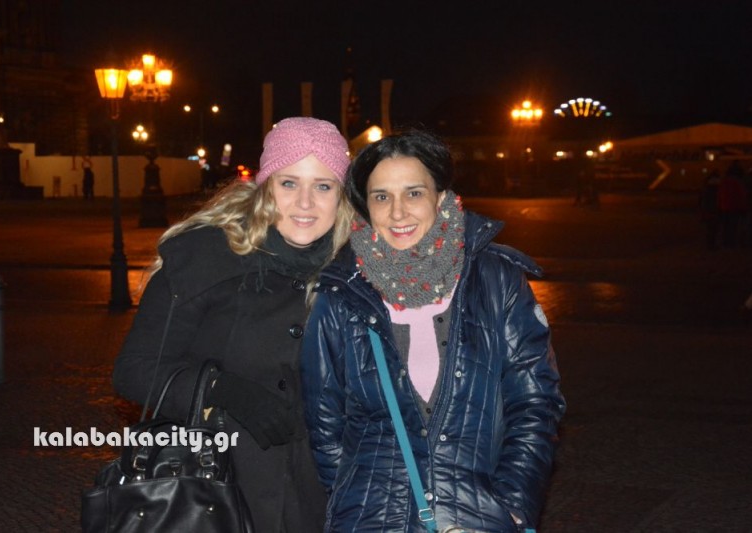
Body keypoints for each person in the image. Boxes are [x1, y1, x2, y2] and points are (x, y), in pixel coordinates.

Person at [301, 130, 565, 532]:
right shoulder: (341, 295)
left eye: (414, 193)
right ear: (366, 207)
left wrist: (511, 504)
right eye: (381, 197)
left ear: (441, 198)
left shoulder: (497, 281)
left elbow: (534, 404)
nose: (398, 212)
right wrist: (356, 503)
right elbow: (324, 425)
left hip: (476, 518)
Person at [113, 117, 355, 533]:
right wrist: (221, 390)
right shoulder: (203, 258)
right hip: (216, 494)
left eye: (323, 186)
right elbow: (134, 370)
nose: (305, 203)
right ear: (265, 186)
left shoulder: (356, 272)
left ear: (341, 195)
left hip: (322, 501)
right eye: (289, 183)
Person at [699, 169, 722, 250]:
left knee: (710, 228)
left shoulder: (706, 189)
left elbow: (702, 201)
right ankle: (712, 244)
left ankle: (710, 244)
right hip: (715, 211)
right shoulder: (718, 190)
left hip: (708, 211)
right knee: (714, 229)